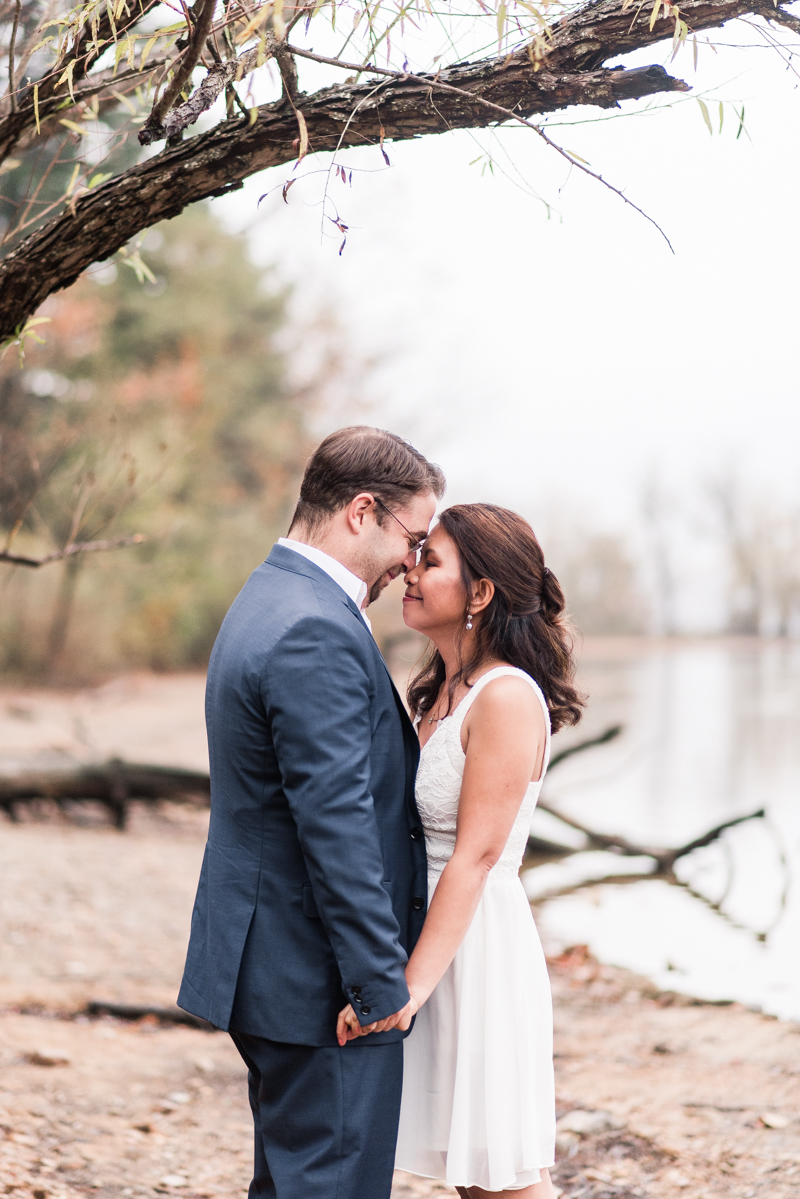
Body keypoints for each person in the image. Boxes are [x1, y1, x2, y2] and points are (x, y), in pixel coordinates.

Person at [177, 426, 445, 1199]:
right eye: (413, 536)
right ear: (363, 511)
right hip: (313, 978)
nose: (413, 561)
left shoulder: (272, 593)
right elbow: (336, 826)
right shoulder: (316, 628)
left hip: (270, 958)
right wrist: (378, 988)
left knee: (296, 1181)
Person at [338, 503, 584, 1198]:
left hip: (476, 951)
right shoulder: (439, 694)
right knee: (467, 1175)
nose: (411, 571)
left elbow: (475, 856)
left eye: (431, 560)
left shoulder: (506, 697)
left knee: (501, 1181)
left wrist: (407, 989)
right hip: (432, 935)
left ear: (480, 593)